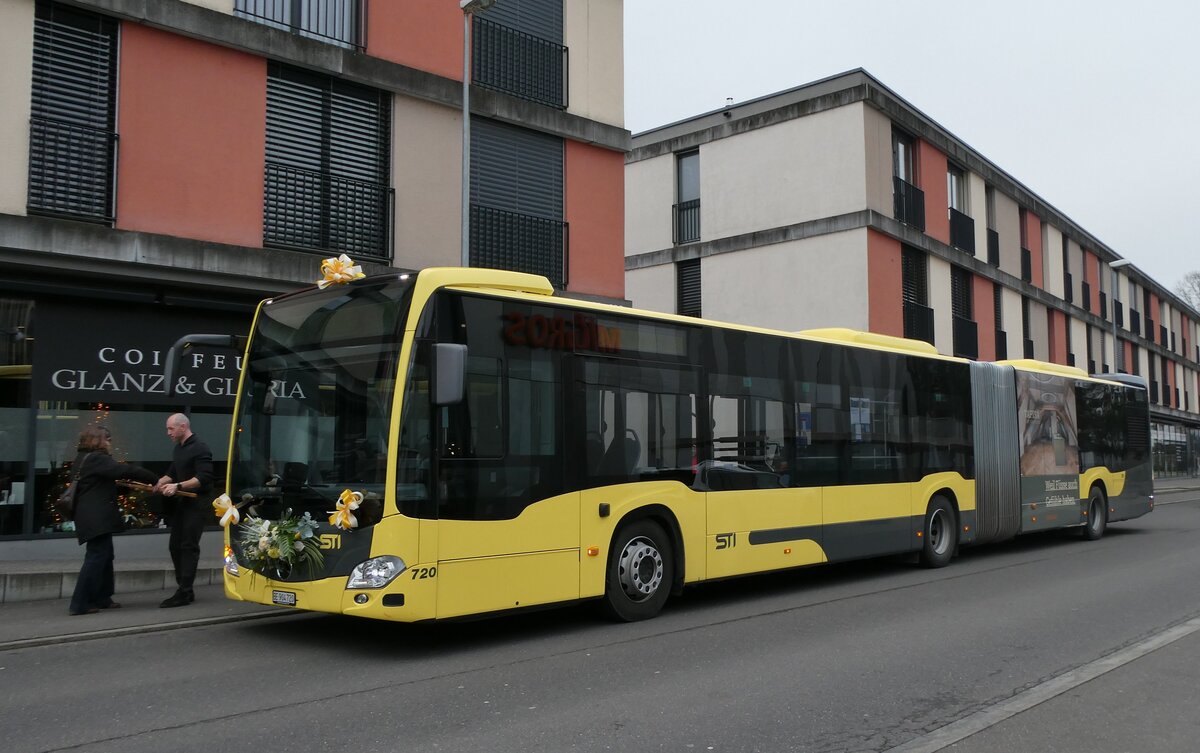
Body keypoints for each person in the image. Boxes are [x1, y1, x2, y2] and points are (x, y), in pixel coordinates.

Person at [67, 425, 158, 616]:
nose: (109, 442)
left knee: (105, 556)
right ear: (97, 441)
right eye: (107, 439)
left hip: (90, 515)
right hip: (95, 517)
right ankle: (80, 603)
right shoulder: (96, 459)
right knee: (96, 557)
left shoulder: (83, 458)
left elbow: (101, 484)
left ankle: (102, 597)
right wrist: (155, 479)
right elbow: (125, 470)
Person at [155, 413, 214, 608]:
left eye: (171, 429)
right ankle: (184, 588)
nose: (167, 433)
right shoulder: (179, 448)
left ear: (183, 427)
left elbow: (203, 478)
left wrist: (178, 486)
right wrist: (159, 483)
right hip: (183, 504)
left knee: (188, 546)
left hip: (197, 504)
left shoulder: (200, 447)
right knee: (175, 546)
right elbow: (172, 472)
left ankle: (185, 591)